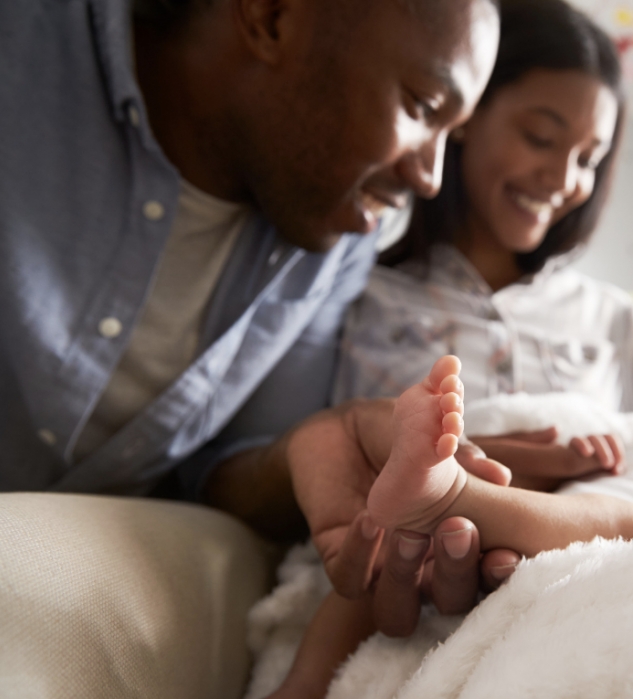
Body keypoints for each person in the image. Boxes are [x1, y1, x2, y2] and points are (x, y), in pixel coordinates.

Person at [0, 0, 509, 634]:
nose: (430, 177)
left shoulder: (339, 240)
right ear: (270, 17)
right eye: (422, 107)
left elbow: (219, 467)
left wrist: (315, 446)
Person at [261, 357, 633, 698]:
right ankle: (303, 684)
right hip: (527, 551)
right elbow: (542, 485)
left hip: (631, 558)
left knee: (632, 521)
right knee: (384, 545)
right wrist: (575, 460)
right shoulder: (629, 448)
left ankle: (444, 491)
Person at [333, 0, 633, 415]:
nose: (563, 180)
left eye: (588, 160)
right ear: (465, 114)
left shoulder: (616, 321)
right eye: (539, 137)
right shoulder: (359, 303)